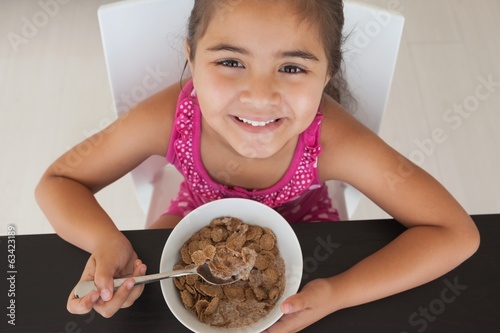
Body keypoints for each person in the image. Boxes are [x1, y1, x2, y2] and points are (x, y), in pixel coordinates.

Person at [35, 0, 480, 331]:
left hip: (308, 227)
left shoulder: (334, 139)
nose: (260, 96)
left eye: (292, 67)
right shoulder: (172, 114)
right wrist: (106, 241)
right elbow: (58, 180)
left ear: (327, 74)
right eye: (231, 61)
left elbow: (454, 234)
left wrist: (335, 294)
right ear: (192, 58)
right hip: (193, 214)